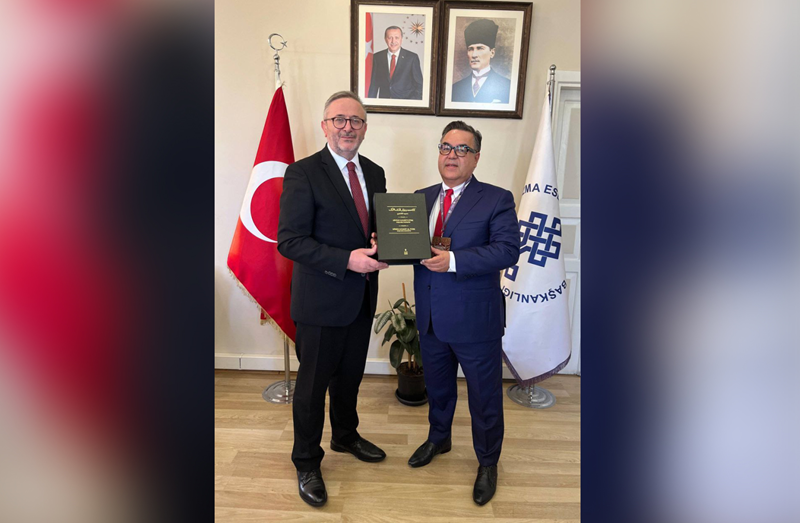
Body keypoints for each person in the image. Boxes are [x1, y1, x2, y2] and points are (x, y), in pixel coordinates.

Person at [277, 91, 389, 508]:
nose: (347, 127)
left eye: (355, 120)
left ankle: (345, 435)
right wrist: (347, 260)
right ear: (324, 126)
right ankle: (307, 461)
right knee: (311, 388)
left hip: (361, 297)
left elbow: (373, 229)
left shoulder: (374, 172)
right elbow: (290, 241)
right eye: (339, 119)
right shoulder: (303, 173)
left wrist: (383, 245)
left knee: (350, 377)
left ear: (365, 128)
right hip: (320, 301)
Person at [409, 121, 519, 505]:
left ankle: (487, 462)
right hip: (431, 318)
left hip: (475, 321)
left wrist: (453, 260)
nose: (451, 155)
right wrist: (386, 242)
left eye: (462, 149)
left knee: (484, 398)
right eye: (446, 147)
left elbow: (507, 250)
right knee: (438, 389)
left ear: (476, 157)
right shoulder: (420, 198)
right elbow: (410, 248)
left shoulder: (496, 199)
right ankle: (439, 438)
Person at [451, 19, 512, 104]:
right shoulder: (456, 88)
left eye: (480, 48)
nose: (474, 55)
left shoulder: (508, 86)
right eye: (470, 49)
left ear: (492, 52)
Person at [368, 26, 424, 100]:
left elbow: (419, 86)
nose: (393, 41)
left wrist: (412, 103)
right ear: (385, 39)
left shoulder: (412, 58)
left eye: (397, 38)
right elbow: (373, 85)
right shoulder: (377, 57)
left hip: (405, 103)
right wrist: (370, 104)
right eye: (390, 38)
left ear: (401, 39)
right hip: (384, 103)